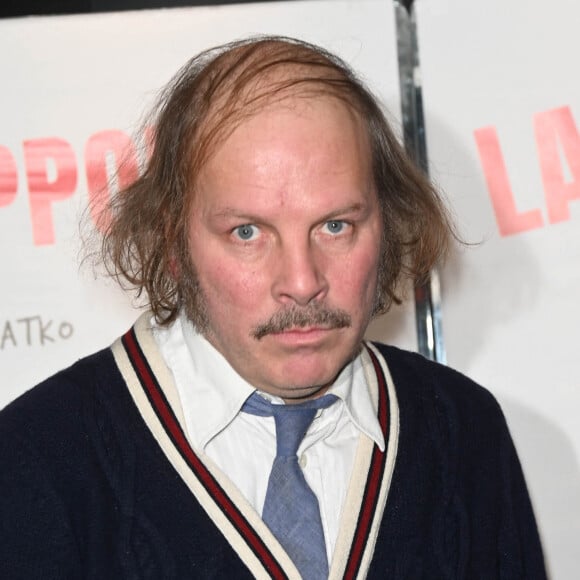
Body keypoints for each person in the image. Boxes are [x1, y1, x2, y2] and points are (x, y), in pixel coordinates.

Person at [0, 36, 546, 579]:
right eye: (247, 232)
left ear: (387, 222)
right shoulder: (36, 461)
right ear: (171, 243)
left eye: (336, 226)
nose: (303, 282)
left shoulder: (465, 432)